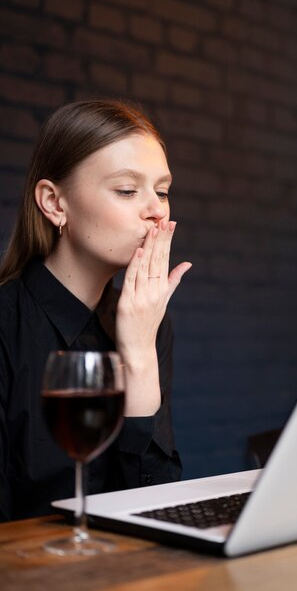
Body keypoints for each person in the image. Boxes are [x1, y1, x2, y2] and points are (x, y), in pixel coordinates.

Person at [0, 99, 192, 521]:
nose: (157, 210)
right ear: (54, 203)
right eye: (127, 190)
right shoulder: (7, 324)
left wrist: (140, 356)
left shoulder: (150, 322)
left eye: (162, 191)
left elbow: (157, 508)